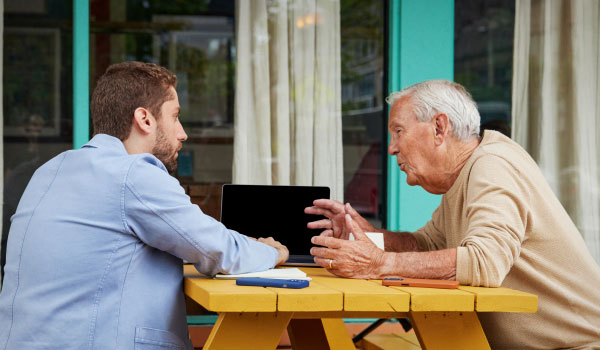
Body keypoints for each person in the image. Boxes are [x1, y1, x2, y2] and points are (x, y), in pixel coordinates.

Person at [0, 61, 288, 349]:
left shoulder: (49, 171)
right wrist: (273, 251)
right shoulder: (134, 174)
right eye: (175, 117)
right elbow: (218, 249)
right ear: (145, 119)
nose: (182, 133)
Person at [307, 80, 600, 349]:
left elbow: (485, 262)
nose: (392, 149)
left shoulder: (493, 165)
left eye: (398, 131)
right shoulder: (464, 176)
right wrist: (369, 235)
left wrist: (379, 264)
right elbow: (427, 244)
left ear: (439, 128)